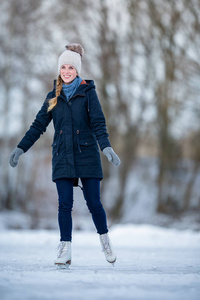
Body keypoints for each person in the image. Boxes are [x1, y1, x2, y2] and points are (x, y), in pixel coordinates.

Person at [9, 43, 121, 267]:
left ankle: (105, 240)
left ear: (77, 70)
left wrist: (106, 147)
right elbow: (38, 125)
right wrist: (21, 148)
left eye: (71, 67)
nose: (67, 71)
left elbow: (98, 122)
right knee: (64, 204)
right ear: (59, 70)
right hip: (62, 155)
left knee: (94, 204)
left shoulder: (88, 93)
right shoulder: (53, 96)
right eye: (63, 67)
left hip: (87, 153)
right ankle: (65, 248)